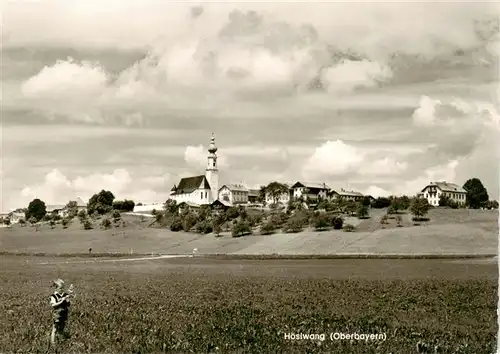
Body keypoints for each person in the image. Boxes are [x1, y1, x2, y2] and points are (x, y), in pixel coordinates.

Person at [50, 278, 71, 346]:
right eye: (60, 288)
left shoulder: (64, 294)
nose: (62, 290)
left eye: (63, 288)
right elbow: (53, 305)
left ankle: (61, 341)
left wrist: (68, 301)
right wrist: (61, 301)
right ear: (56, 288)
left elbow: (68, 305)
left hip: (64, 314)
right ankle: (52, 343)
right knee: (55, 329)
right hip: (57, 315)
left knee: (62, 328)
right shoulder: (53, 296)